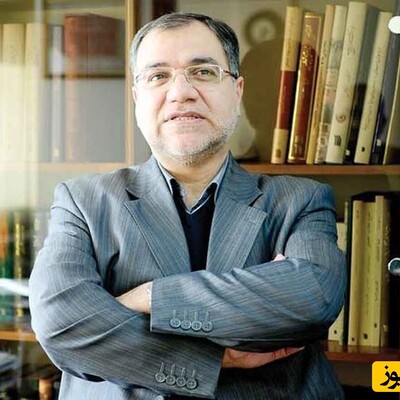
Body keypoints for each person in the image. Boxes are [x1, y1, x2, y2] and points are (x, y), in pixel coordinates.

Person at [29, 12, 347, 400]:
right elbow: (62, 324)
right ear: (137, 97)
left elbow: (314, 298)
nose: (181, 92)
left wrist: (149, 298)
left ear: (237, 90)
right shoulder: (81, 201)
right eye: (158, 76)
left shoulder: (300, 200)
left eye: (203, 72)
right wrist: (214, 360)